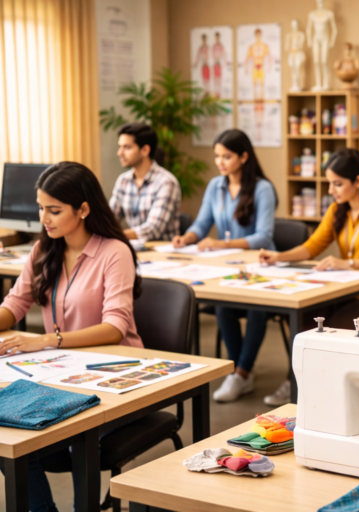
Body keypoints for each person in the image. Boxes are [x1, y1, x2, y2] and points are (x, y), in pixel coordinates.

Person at [0, 161, 143, 512]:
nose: (43, 218)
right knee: (10, 438)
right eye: (40, 208)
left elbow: (115, 328)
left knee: (76, 437)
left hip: (115, 376)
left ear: (82, 209)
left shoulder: (114, 252)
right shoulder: (44, 249)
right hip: (59, 374)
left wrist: (48, 339)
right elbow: (15, 304)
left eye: (53, 210)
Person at [258, 148, 359, 405]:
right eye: (329, 183)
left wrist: (347, 263)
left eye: (337, 184)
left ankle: (326, 393)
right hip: (345, 290)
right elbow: (312, 246)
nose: (332, 190)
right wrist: (279, 257)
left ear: (358, 181)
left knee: (330, 330)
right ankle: (300, 382)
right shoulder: (337, 210)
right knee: (303, 318)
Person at [172, 129, 276, 402]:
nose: (220, 162)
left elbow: (263, 236)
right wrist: (188, 237)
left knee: (257, 308)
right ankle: (238, 368)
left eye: (226, 156)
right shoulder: (215, 186)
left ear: (243, 156)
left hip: (260, 266)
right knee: (222, 305)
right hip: (227, 267)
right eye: (217, 156)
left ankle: (241, 373)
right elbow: (202, 223)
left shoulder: (262, 188)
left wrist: (221, 244)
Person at [109, 122, 182, 241]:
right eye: (120, 147)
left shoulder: (166, 182)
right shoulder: (123, 181)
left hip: (161, 254)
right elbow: (109, 218)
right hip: (135, 250)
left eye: (127, 147)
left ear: (145, 150)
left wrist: (115, 234)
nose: (120, 153)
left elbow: (153, 229)